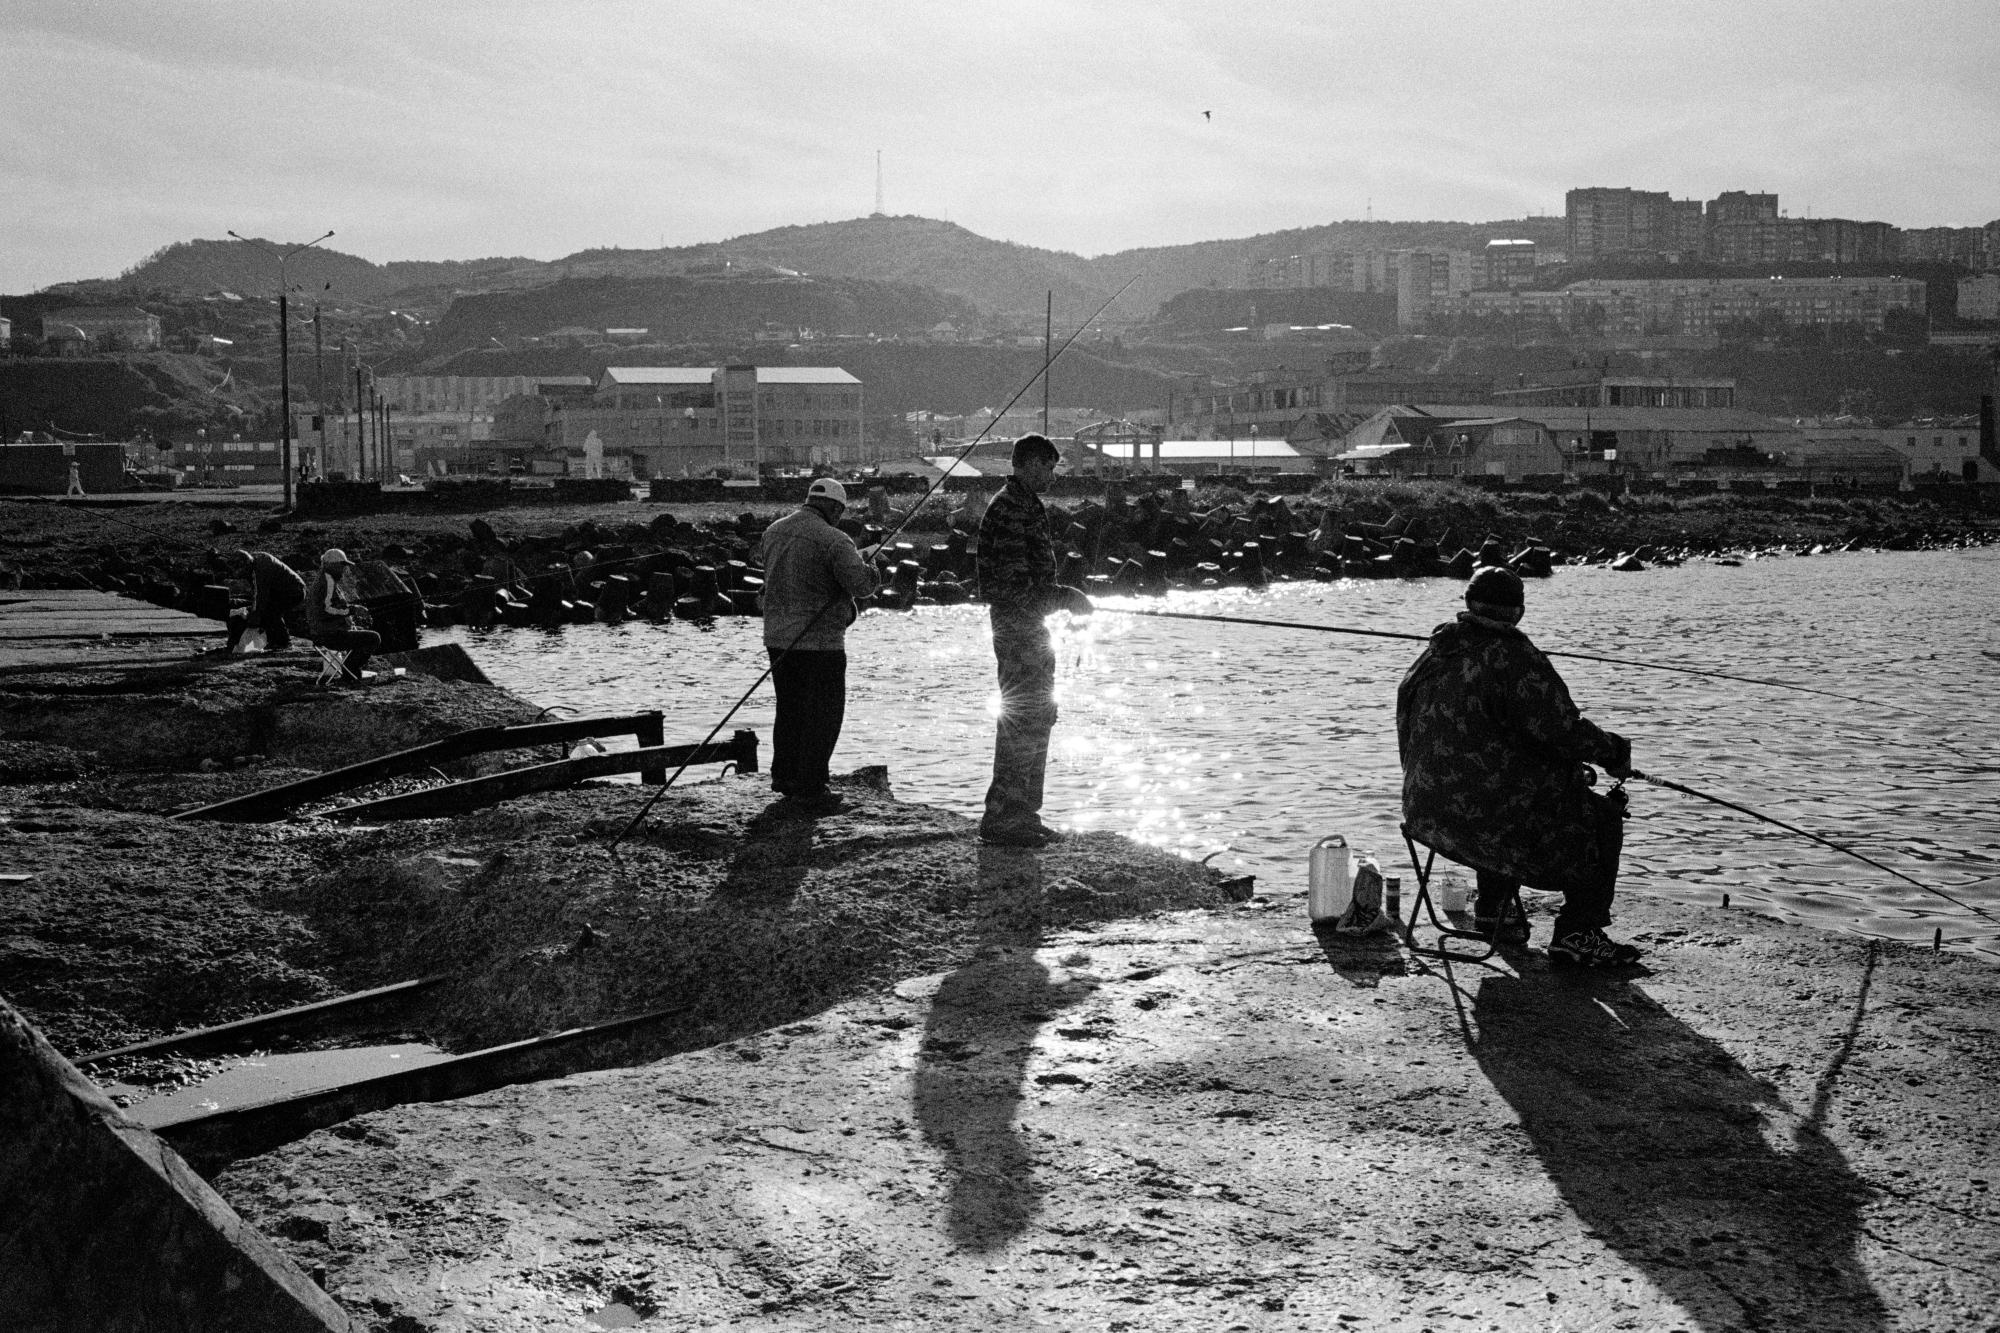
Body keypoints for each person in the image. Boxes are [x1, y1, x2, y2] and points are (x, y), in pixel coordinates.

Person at [1395, 565, 1640, 966]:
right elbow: (1563, 730)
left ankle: (1494, 910)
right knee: (1604, 817)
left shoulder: (1433, 654)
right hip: (1485, 822)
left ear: (1468, 604)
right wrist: (1614, 751)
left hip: (1424, 810)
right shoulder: (1516, 659)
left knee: (1500, 789)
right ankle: (1578, 932)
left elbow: (1411, 733)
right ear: (1519, 613)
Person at [976, 433, 1091, 848]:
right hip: (1017, 626)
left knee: (1040, 713)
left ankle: (1024, 812)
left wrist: (1062, 599)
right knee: (1023, 716)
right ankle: (1004, 816)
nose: (1051, 476)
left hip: (1030, 625)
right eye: (1046, 467)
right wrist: (1066, 597)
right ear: (1026, 463)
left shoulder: (1025, 504)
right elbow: (1014, 585)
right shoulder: (1010, 508)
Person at [756, 477, 880, 812]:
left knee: (790, 710)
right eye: (840, 512)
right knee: (824, 715)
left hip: (777, 639)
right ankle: (811, 786)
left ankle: (785, 776)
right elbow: (862, 585)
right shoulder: (835, 540)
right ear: (835, 508)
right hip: (820, 643)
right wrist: (871, 566)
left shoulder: (773, 532)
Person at [306, 549, 381, 681]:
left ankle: (350, 672)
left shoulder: (324, 579)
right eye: (342, 565)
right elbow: (328, 609)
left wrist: (350, 614)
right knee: (374, 638)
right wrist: (353, 610)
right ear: (331, 565)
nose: (343, 569)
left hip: (323, 633)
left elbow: (330, 607)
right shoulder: (327, 582)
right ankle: (350, 672)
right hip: (329, 635)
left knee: (363, 635)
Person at [224, 549, 306, 652]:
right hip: (280, 590)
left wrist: (254, 618)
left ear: (245, 565)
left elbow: (261, 595)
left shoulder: (261, 568)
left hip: (294, 591)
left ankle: (283, 642)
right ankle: (275, 641)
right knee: (267, 610)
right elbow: (257, 593)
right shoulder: (253, 563)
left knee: (271, 611)